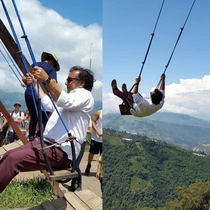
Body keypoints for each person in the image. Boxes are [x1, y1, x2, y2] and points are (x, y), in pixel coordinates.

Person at [0, 65, 94, 193]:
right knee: (8, 155)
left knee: (13, 160)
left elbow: (64, 100)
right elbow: (48, 103)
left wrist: (47, 80)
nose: (66, 82)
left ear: (81, 83)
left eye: (69, 79)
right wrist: (35, 83)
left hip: (61, 151)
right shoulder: (71, 98)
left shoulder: (85, 95)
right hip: (48, 144)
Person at [22, 52, 60, 141]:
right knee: (43, 117)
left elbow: (24, 78)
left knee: (33, 117)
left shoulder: (34, 65)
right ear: (53, 62)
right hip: (41, 95)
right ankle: (40, 138)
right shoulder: (51, 69)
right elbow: (53, 82)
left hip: (29, 94)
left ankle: (31, 138)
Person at [68, 124, 92, 192]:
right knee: (72, 165)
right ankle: (73, 184)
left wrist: (79, 130)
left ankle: (79, 183)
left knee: (76, 165)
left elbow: (90, 131)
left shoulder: (87, 119)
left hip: (81, 143)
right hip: (72, 143)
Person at [85, 109, 102, 175]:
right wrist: (97, 131)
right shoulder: (99, 113)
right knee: (92, 153)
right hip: (96, 138)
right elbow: (93, 122)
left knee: (102, 156)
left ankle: (99, 171)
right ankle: (89, 164)